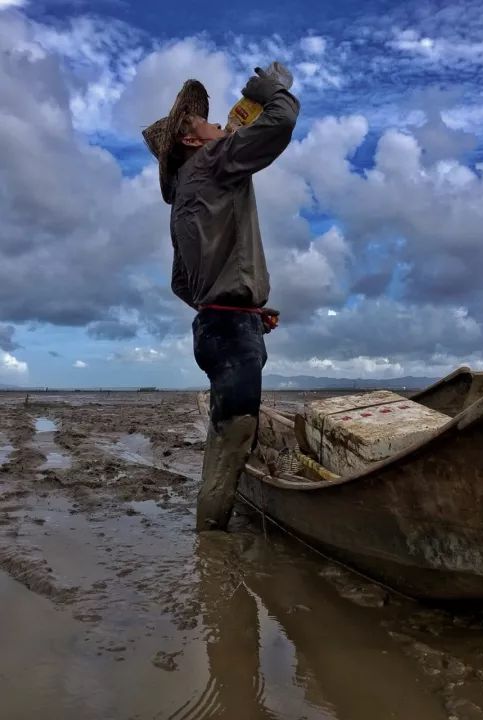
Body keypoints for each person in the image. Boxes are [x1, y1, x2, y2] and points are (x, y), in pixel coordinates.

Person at [142, 69, 300, 531]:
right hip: (231, 331)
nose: (217, 127)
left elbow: (180, 282)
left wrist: (234, 302)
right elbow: (281, 121)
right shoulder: (215, 161)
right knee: (234, 437)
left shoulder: (183, 199)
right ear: (193, 142)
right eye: (206, 125)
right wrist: (267, 90)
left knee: (230, 432)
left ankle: (211, 537)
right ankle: (210, 551)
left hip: (217, 327)